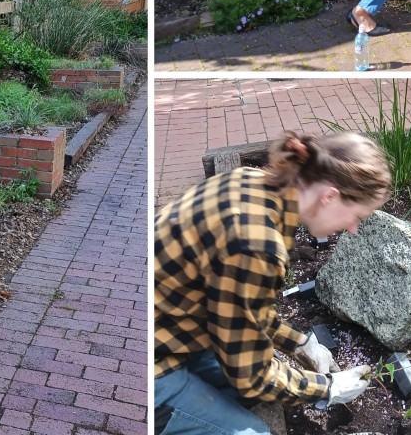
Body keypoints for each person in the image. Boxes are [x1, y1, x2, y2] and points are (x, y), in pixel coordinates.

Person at [153, 131, 393, 435]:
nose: (353, 228)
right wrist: (327, 389)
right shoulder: (256, 245)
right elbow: (252, 375)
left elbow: (238, 305)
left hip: (174, 326)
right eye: (357, 215)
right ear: (330, 196)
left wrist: (300, 343)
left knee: (242, 395)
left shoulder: (252, 181)